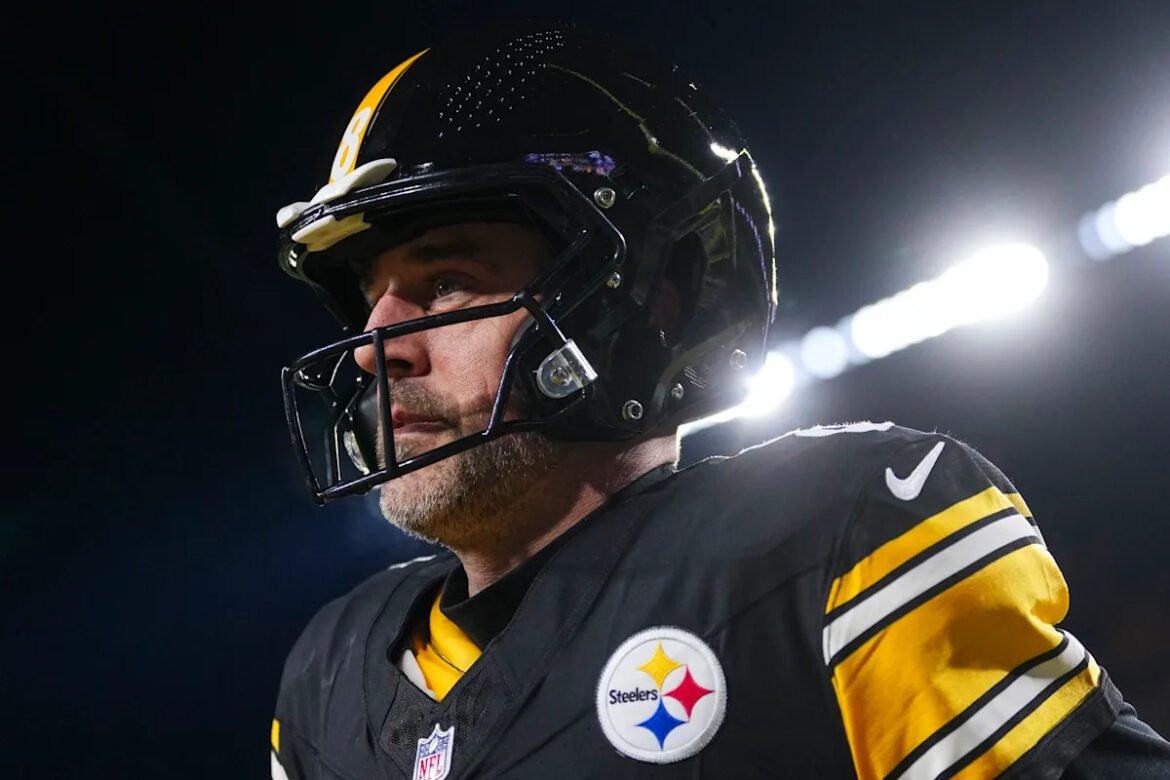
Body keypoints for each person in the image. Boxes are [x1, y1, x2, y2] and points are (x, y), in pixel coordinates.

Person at [270, 24, 1170, 780]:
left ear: (644, 302)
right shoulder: (330, 676)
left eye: (447, 284)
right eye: (370, 301)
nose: (377, 348)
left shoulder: (842, 538)